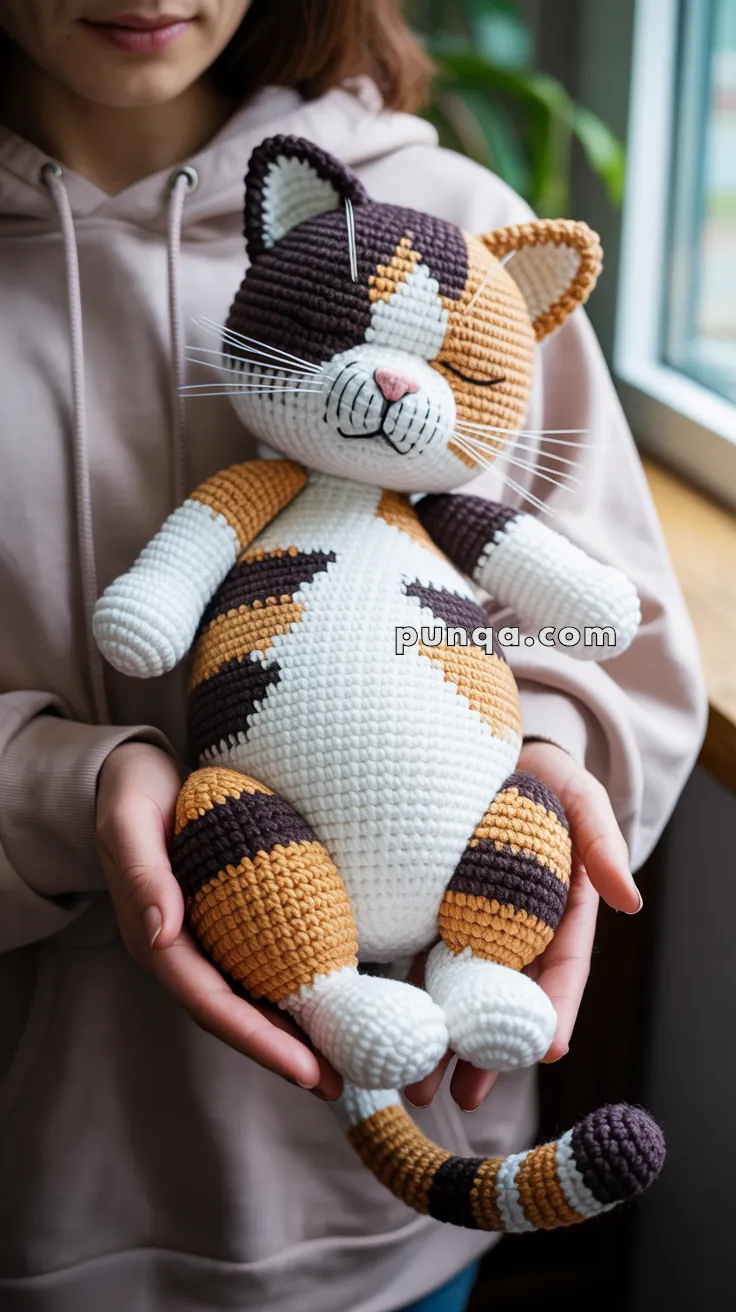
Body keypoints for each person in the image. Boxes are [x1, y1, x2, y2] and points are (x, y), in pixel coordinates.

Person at [0, 3, 706, 1310]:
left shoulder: (457, 222)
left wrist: (538, 747)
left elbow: (622, 640)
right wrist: (62, 790)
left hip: (390, 1211)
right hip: (40, 1207)